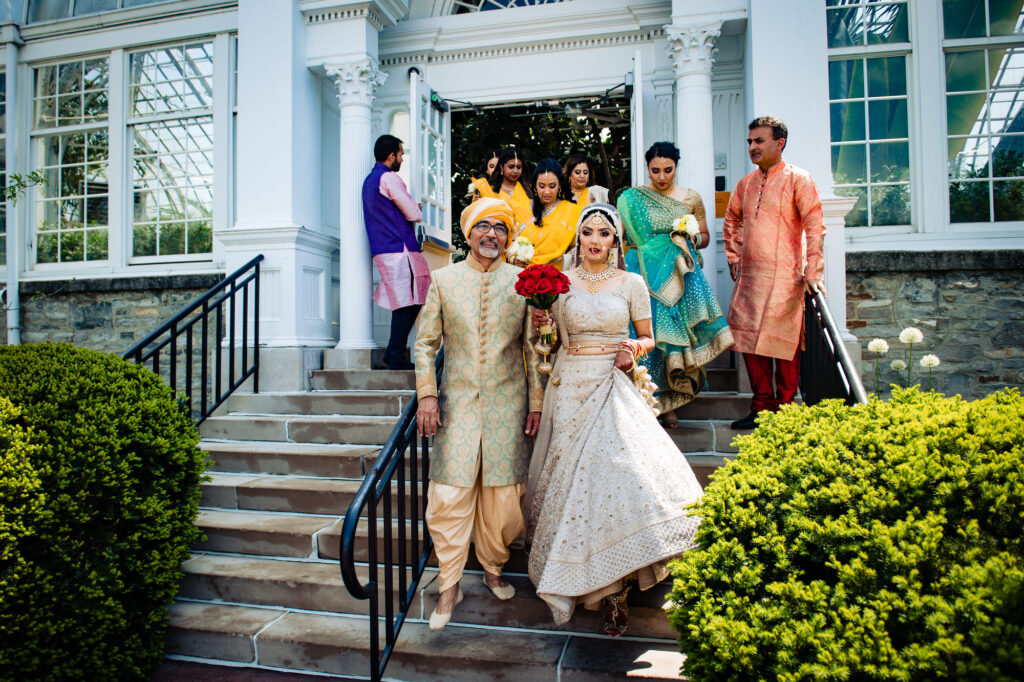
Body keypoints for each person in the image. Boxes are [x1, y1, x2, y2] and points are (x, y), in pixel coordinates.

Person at [525, 203, 704, 636]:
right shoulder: (559, 284)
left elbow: (649, 334)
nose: (594, 239)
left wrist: (633, 350)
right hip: (569, 387)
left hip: (613, 380)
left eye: (604, 233)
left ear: (615, 242)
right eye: (588, 231)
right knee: (571, 483)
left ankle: (617, 588)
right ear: (579, 238)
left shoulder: (632, 282)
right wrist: (543, 323)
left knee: (616, 474)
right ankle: (584, 580)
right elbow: (546, 346)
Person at [414, 197, 545, 631]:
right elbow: (426, 343)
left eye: (501, 228)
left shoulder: (523, 282)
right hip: (455, 403)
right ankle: (449, 584)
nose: (492, 235)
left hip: (508, 402)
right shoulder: (445, 279)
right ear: (468, 234)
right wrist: (427, 396)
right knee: (448, 494)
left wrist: (536, 403)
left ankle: (493, 566)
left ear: (509, 238)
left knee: (505, 497)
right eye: (483, 227)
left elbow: (532, 348)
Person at [618, 142, 733, 427]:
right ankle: (646, 402)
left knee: (672, 341)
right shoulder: (634, 198)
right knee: (649, 338)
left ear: (676, 168)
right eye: (655, 170)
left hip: (679, 278)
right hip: (644, 275)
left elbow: (705, 236)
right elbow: (629, 240)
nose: (661, 176)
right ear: (647, 169)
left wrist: (687, 237)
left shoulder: (690, 198)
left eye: (667, 170)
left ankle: (671, 404)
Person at [723, 116, 826, 430]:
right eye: (750, 142)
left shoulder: (798, 179)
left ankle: (785, 412)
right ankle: (761, 406)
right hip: (751, 280)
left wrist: (813, 271)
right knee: (746, 343)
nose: (753, 147)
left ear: (779, 143)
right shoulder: (745, 184)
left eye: (759, 141)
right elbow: (731, 222)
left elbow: (815, 226)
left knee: (783, 346)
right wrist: (734, 256)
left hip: (786, 278)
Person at [362, 134, 430, 370]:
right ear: (391, 156)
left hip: (384, 248)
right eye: (400, 154)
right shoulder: (389, 177)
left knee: (406, 300)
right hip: (399, 248)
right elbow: (413, 213)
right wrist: (415, 208)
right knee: (408, 301)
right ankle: (397, 356)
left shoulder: (370, 180)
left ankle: (394, 353)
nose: (401, 158)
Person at [509, 158, 581, 270]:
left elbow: (579, 247)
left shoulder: (572, 211)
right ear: (535, 186)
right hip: (521, 275)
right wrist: (513, 259)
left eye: (552, 186)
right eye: (542, 186)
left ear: (560, 186)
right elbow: (507, 243)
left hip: (556, 277)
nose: (547, 192)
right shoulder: (521, 208)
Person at [474, 147, 533, 227]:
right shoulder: (487, 190)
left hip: (525, 237)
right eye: (511, 167)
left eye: (519, 167)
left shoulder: (529, 190)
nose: (515, 171)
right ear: (502, 167)